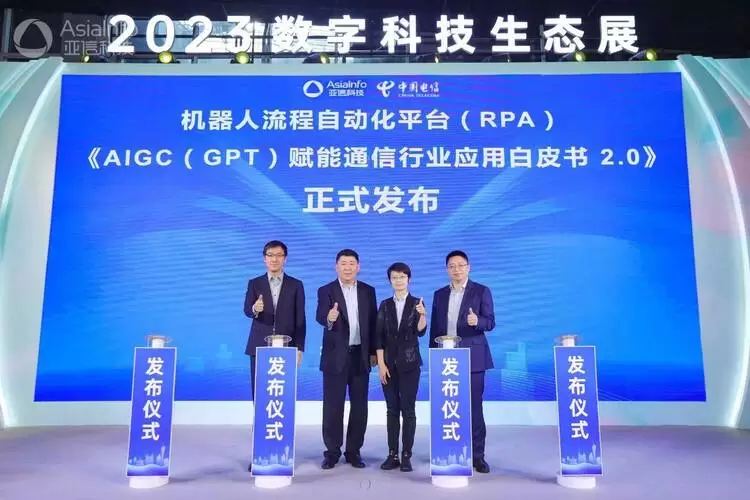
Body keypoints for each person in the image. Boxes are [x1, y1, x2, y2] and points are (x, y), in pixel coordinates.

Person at [243, 240, 306, 472]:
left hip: (285, 350)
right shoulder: (255, 283)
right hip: (259, 349)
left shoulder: (296, 285)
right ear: (264, 258)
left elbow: (300, 320)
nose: (274, 259)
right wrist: (255, 309)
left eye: (279, 255)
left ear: (285, 258)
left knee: (282, 402)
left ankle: (281, 451)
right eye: (270, 255)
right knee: (261, 401)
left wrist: (299, 348)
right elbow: (247, 310)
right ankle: (259, 452)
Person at [429, 250, 495, 473]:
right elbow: (435, 329)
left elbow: (490, 322)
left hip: (473, 357)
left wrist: (478, 321)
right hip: (446, 358)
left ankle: (477, 456)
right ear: (447, 269)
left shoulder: (481, 291)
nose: (456, 269)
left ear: (468, 267)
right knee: (448, 407)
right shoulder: (439, 294)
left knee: (474, 407)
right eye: (452, 266)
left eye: (460, 265)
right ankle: (450, 450)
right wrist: (434, 356)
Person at [316, 249, 377, 469]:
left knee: (360, 406)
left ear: (358, 267)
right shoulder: (326, 290)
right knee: (333, 406)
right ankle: (332, 452)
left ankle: (353, 451)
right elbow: (320, 317)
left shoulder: (368, 291)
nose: (348, 267)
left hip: (360, 355)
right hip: (335, 356)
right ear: (337, 267)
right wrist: (329, 317)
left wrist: (373, 352)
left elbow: (373, 322)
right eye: (343, 263)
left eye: (352, 263)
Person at [374, 262, 427, 472]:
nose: (398, 281)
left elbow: (420, 332)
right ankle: (392, 454)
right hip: (388, 364)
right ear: (390, 281)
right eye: (394, 277)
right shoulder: (385, 305)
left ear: (408, 279)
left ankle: (406, 455)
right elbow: (378, 336)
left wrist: (423, 315)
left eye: (402, 277)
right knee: (392, 409)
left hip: (410, 364)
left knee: (408, 409)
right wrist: (381, 364)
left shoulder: (416, 303)